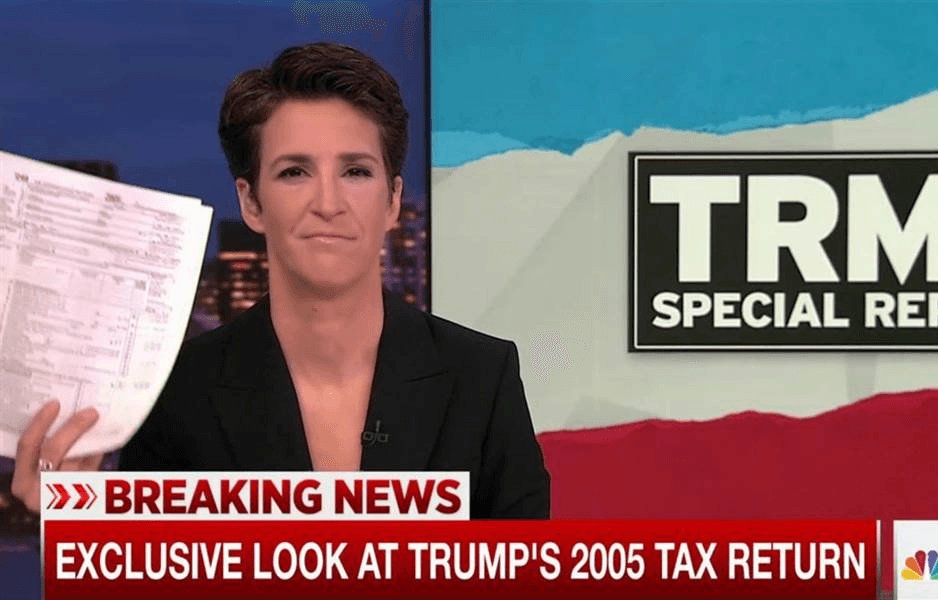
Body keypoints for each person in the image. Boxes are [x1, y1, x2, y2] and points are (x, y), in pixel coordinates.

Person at [9, 42, 550, 519]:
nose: (328, 203)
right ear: (251, 202)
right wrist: (83, 525)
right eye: (295, 172)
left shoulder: (482, 378)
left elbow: (522, 579)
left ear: (392, 201)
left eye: (356, 171)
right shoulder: (177, 394)